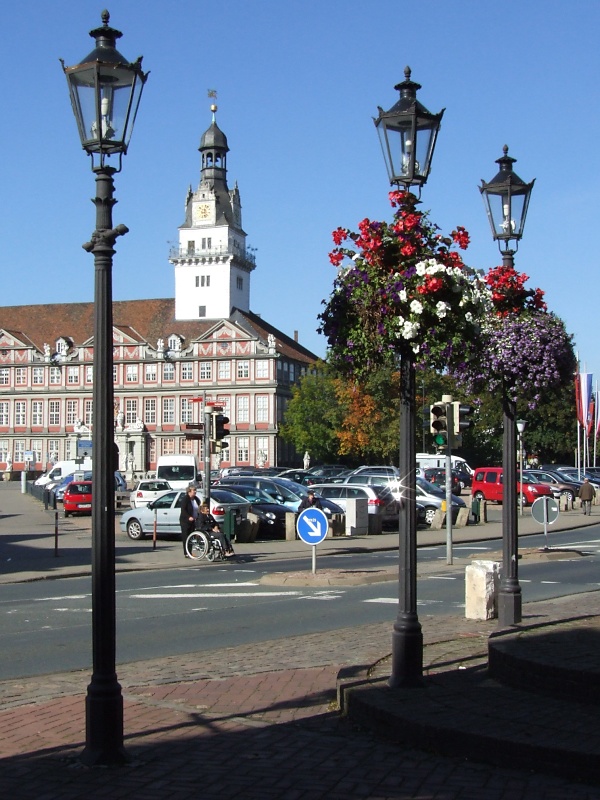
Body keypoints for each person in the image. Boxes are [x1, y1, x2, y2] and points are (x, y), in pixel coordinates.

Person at [179, 485, 199, 557]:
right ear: (189, 492)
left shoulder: (196, 499)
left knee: (191, 537)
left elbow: (199, 507)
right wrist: (189, 517)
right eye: (194, 490)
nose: (195, 492)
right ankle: (186, 553)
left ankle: (190, 551)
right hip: (185, 521)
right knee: (186, 537)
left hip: (194, 520)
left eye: (195, 490)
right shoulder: (185, 499)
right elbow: (183, 510)